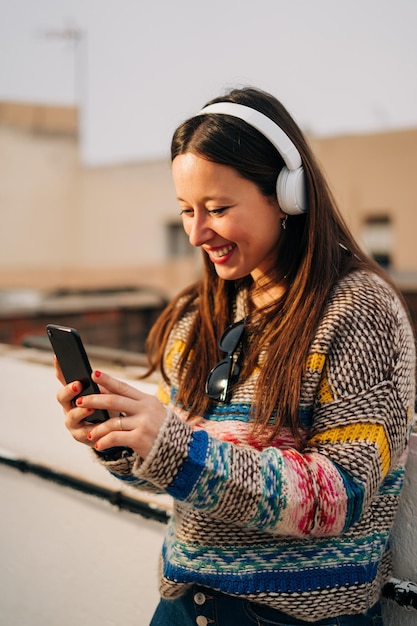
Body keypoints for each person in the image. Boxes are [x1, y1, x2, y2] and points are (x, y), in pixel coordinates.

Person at [55, 87, 416, 625]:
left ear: (286, 195)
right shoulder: (200, 314)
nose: (198, 233)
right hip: (184, 607)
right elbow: (179, 469)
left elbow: (340, 496)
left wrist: (175, 446)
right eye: (185, 211)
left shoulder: (361, 312)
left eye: (218, 209)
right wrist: (117, 438)